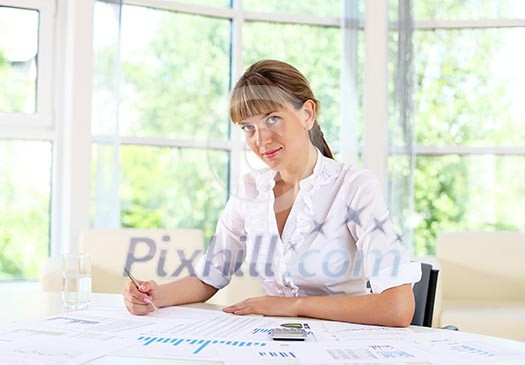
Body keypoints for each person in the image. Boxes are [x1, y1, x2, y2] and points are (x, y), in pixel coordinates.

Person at [122, 59, 421, 327]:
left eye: (272, 119)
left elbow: (397, 306)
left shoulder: (354, 187)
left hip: (341, 347)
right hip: (274, 345)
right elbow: (207, 278)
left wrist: (293, 306)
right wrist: (155, 295)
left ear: (307, 114)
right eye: (248, 128)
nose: (261, 139)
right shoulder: (250, 189)